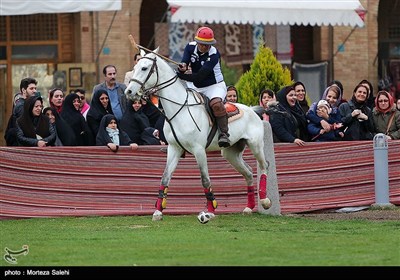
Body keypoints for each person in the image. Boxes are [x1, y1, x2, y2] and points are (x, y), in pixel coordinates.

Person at [176, 26, 230, 148]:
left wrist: (181, 76)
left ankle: (224, 134)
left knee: (216, 104)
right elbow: (185, 61)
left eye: (207, 44)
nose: (204, 47)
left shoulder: (214, 54)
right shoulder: (190, 47)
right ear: (197, 42)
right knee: (184, 105)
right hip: (195, 86)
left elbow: (199, 76)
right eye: (202, 44)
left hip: (214, 86)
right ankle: (180, 139)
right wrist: (183, 67)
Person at [4, 77, 39, 146]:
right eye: (31, 88)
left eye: (35, 88)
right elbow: (26, 129)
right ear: (24, 90)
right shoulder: (21, 106)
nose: (35, 91)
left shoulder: (27, 104)